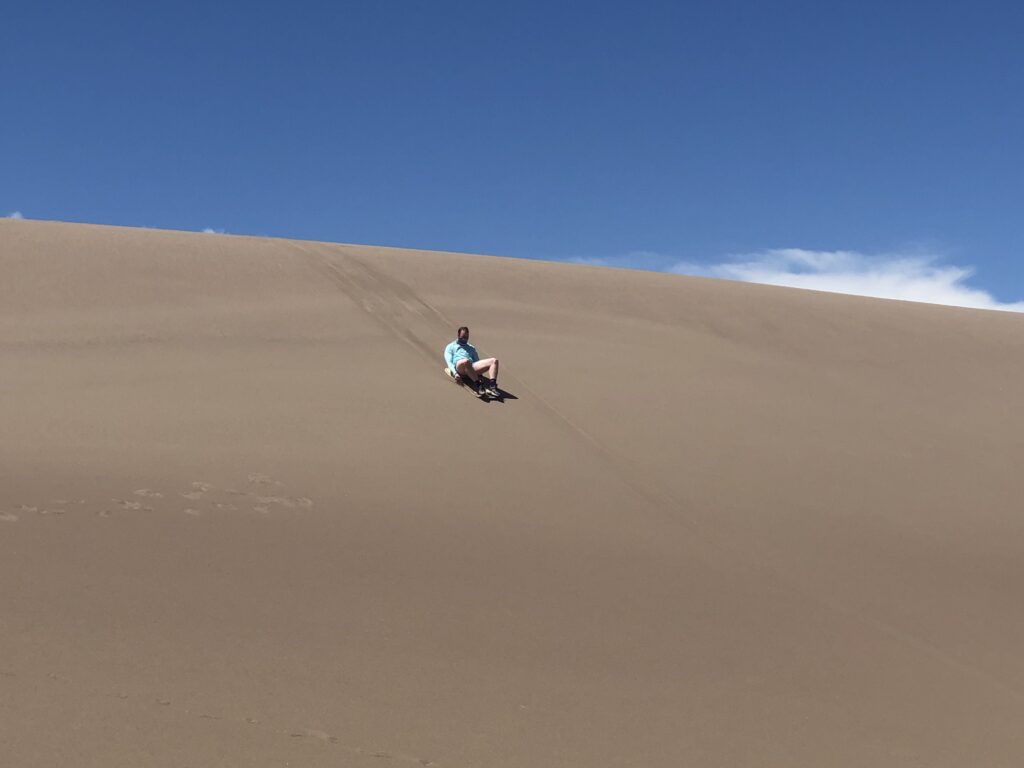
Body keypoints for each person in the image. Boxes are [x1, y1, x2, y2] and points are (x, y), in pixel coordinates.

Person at [444, 326, 500, 397]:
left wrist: (480, 374)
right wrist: (455, 373)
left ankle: (492, 386)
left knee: (494, 361)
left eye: (466, 337)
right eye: (463, 337)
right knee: (465, 361)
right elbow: (449, 362)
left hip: (471, 367)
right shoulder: (450, 346)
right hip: (459, 368)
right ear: (458, 335)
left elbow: (477, 361)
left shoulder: (471, 348)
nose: (464, 339)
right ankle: (479, 386)